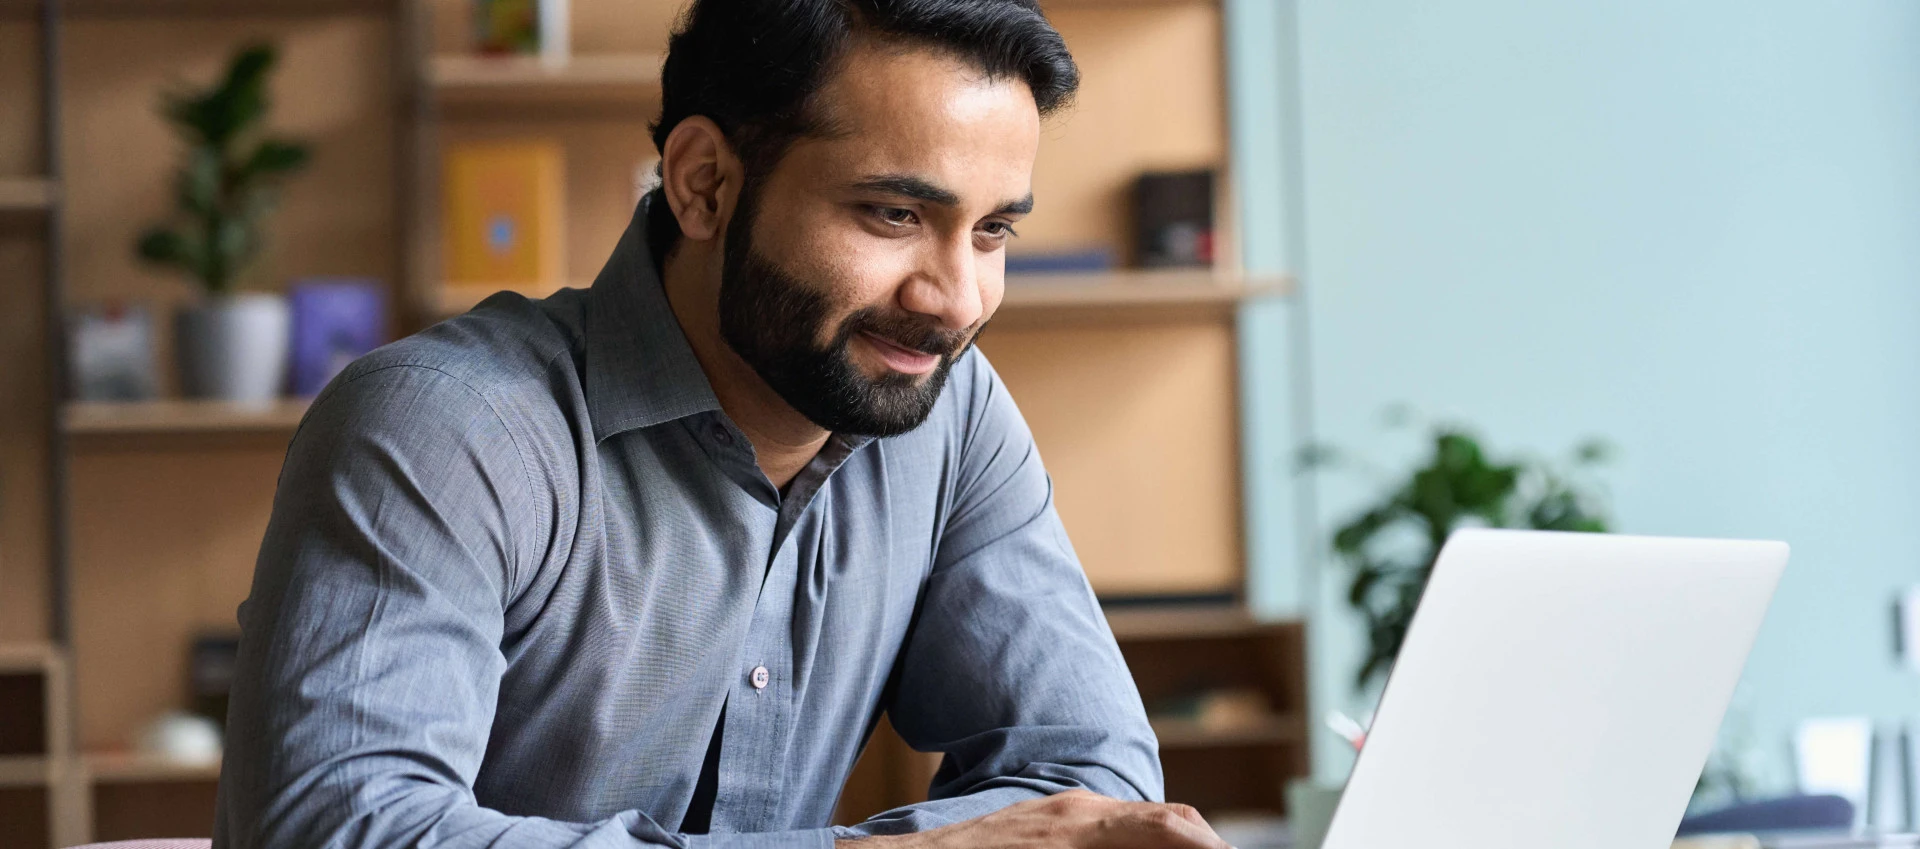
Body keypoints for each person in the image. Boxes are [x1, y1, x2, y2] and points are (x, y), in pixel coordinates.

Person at [214, 1, 1229, 847]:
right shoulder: (449, 428)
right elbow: (340, 831)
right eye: (892, 215)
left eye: (995, 230)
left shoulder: (949, 417)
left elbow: (1096, 784)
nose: (956, 299)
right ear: (705, 184)